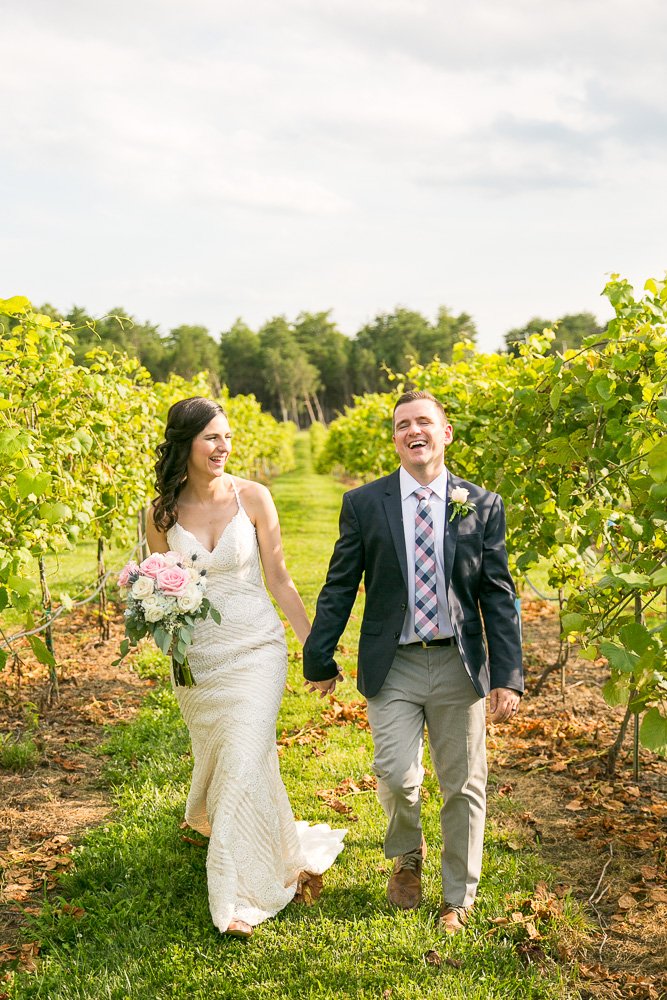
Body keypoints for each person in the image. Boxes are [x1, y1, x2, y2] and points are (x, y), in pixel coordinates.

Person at [303, 390, 523, 934]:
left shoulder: (481, 503)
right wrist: (319, 655)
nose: (413, 431)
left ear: (446, 433)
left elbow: (498, 593)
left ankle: (458, 897)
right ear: (395, 439)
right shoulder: (364, 503)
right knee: (397, 775)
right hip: (394, 663)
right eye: (403, 425)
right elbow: (340, 585)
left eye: (425, 422)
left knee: (463, 783)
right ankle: (408, 852)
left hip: (458, 664)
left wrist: (509, 675)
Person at [146, 396, 345, 939]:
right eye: (211, 437)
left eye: (226, 437)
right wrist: (163, 633)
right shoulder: (161, 513)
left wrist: (315, 648)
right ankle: (270, 840)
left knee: (242, 753)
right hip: (199, 662)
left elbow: (279, 579)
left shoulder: (253, 497)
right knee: (235, 757)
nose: (223, 446)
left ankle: (238, 891)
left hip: (257, 648)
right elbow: (163, 592)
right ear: (185, 443)